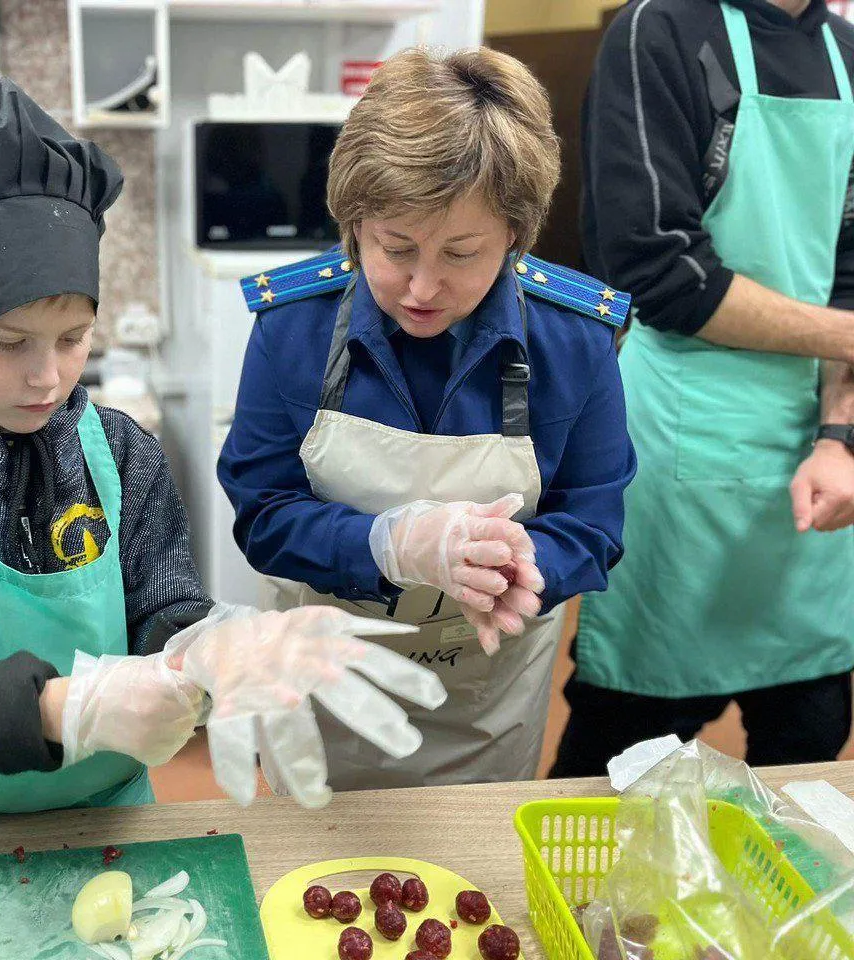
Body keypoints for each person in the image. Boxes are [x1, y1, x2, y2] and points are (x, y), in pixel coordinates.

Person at [0, 78, 446, 822]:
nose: (49, 376)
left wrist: (203, 646)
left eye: (74, 339)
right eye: (9, 344)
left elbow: (159, 607)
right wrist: (59, 708)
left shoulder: (120, 453)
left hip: (108, 811)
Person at [217, 46, 638, 790]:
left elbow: (594, 523)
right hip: (323, 677)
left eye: (461, 253)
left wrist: (517, 566)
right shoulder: (296, 327)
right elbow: (263, 513)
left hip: (485, 699)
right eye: (396, 248)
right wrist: (386, 542)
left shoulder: (575, 339)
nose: (421, 286)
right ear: (354, 225)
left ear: (515, 235)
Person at [553, 0, 854, 777]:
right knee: (621, 760)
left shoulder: (847, 52)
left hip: (809, 460)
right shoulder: (658, 31)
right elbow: (661, 273)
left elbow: (851, 275)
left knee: (810, 746)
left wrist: (839, 437)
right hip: (682, 446)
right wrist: (846, 339)